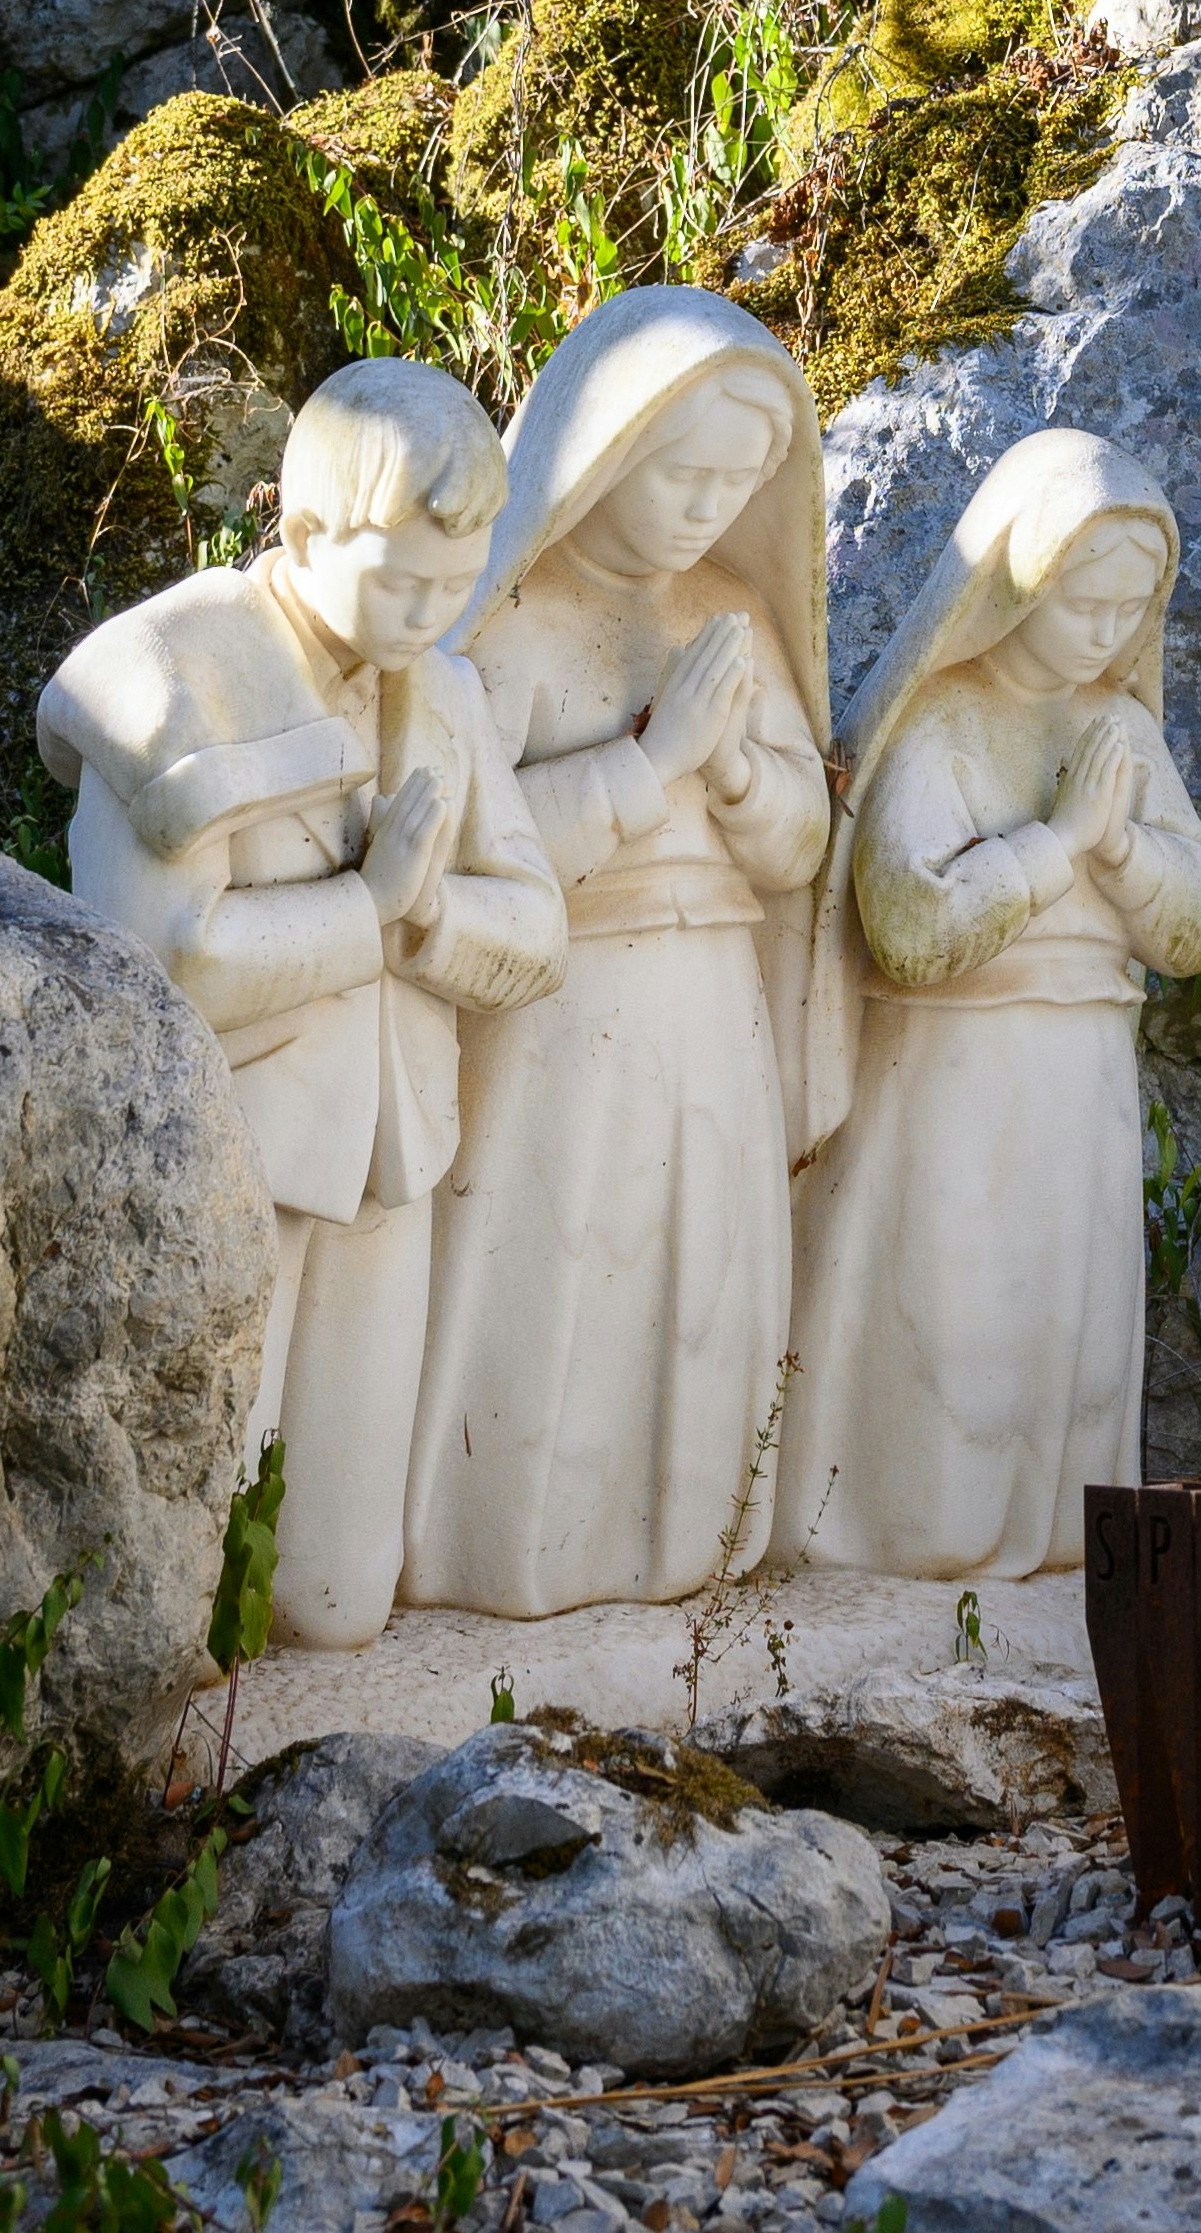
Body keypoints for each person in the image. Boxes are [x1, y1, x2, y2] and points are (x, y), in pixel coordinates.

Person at [40, 357, 564, 1647]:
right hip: (230, 1163)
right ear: (306, 528)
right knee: (185, 1573)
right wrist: (368, 909)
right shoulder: (173, 675)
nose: (428, 616)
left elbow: (536, 926)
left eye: (455, 584)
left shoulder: (441, 689)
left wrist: (431, 912)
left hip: (392, 1160)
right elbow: (159, 965)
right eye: (400, 581)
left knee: (334, 1595)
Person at [406, 288, 837, 1615]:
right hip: (560, 1010)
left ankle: (685, 1544)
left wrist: (750, 780)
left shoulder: (731, 615)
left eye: (738, 478)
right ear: (603, 447)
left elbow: (801, 840)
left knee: (701, 1266)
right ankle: (514, 1552)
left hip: (714, 997)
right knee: (555, 1269)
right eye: (683, 470)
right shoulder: (515, 623)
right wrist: (650, 764)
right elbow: (475, 846)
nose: (710, 505)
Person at [774, 427, 1201, 1581]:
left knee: (1064, 1340)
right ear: (1020, 578)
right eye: (1087, 601)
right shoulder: (940, 721)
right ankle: (913, 1556)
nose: (1110, 632)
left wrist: (1119, 853)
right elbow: (911, 927)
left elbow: (1196, 928)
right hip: (953, 1082)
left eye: (1134, 608)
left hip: (1081, 1076)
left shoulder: (1119, 729)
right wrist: (1055, 843)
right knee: (952, 1318)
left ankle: (1053, 1556)